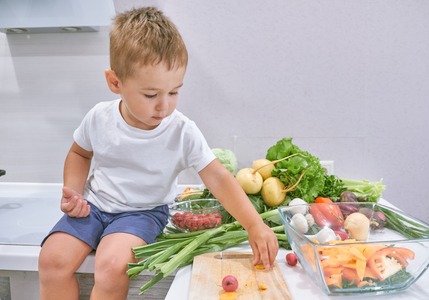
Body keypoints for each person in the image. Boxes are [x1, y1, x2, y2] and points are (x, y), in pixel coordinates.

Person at [38, 6, 278, 300]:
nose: (164, 106)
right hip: (94, 206)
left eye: (174, 92)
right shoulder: (99, 117)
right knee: (51, 260)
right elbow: (79, 153)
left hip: (142, 213)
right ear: (116, 83)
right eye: (151, 95)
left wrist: (255, 224)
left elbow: (217, 177)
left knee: (111, 265)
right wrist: (74, 192)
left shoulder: (182, 131)